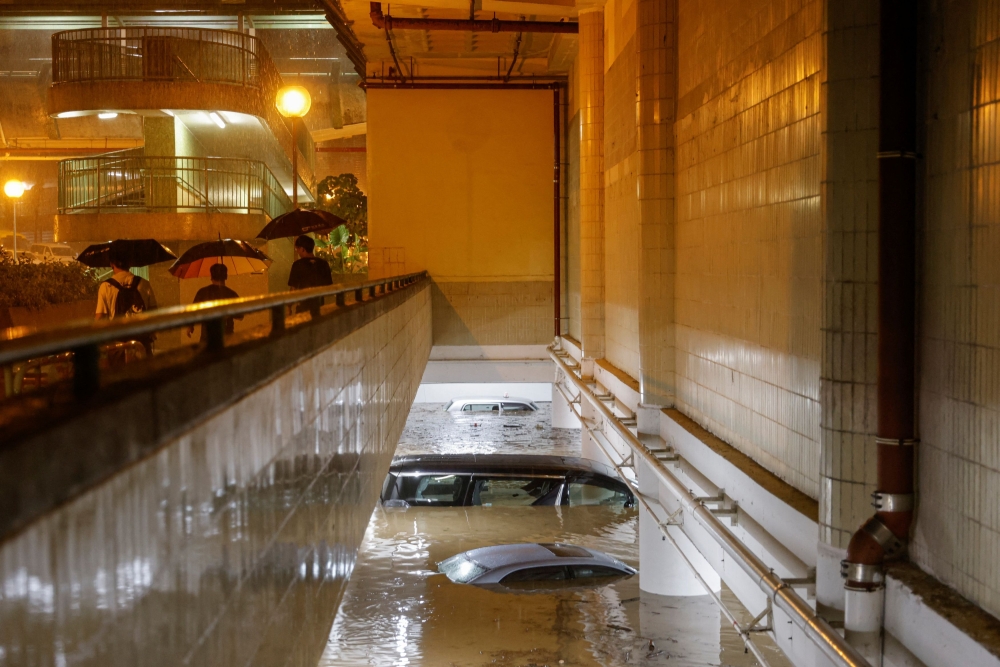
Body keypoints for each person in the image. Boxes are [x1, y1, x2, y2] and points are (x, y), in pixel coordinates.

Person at [95, 244, 158, 356]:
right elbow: (153, 311)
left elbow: (100, 318)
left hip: (117, 346)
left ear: (111, 264)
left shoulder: (105, 286)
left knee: (120, 373)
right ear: (129, 263)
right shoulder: (144, 283)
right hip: (141, 344)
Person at [186, 263, 244, 342]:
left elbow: (193, 311)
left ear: (211, 277)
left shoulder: (203, 292)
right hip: (227, 337)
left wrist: (190, 325)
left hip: (207, 337)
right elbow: (240, 316)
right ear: (226, 276)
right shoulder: (231, 294)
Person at [287, 234, 333, 317]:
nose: (297, 251)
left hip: (303, 307)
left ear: (302, 249)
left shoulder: (297, 265)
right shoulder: (323, 264)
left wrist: (289, 305)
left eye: (297, 248)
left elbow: (293, 289)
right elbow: (329, 287)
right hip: (320, 307)